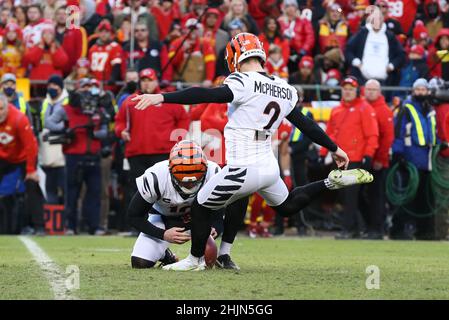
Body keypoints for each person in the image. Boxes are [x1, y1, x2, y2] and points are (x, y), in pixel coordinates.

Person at [133, 32, 374, 271]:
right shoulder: (283, 87)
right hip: (268, 163)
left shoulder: (243, 81)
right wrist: (334, 148)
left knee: (200, 205)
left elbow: (207, 94)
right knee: (287, 204)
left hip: (243, 164)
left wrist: (161, 97)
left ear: (236, 56)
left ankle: (194, 260)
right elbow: (305, 123)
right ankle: (329, 183)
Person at [128, 140, 220, 268]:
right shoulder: (156, 176)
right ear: (170, 170)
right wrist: (163, 234)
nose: (189, 184)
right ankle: (166, 256)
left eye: (194, 179)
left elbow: (221, 207)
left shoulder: (214, 173)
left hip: (199, 220)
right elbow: (133, 216)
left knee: (208, 257)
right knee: (140, 263)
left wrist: (215, 226)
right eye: (183, 180)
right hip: (163, 219)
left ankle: (224, 256)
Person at [115, 68, 189, 217]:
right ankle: (137, 223)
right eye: (143, 80)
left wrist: (178, 137)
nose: (146, 84)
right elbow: (120, 121)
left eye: (149, 80)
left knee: (164, 189)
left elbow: (183, 118)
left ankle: (164, 221)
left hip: (162, 152)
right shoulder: (130, 101)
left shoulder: (166, 99)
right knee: (138, 190)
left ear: (156, 81)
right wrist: (121, 131)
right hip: (136, 152)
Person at [320, 76, 379, 239]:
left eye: (350, 89)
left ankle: (350, 229)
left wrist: (368, 155)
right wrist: (322, 153)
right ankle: (360, 227)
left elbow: (372, 135)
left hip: (356, 158)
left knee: (351, 196)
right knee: (345, 196)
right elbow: (330, 134)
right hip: (340, 160)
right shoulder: (337, 110)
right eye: (345, 88)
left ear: (356, 91)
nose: (347, 92)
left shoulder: (364, 108)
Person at [45, 84, 108, 235]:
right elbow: (49, 122)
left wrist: (95, 134)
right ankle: (71, 226)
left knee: (94, 192)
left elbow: (105, 131)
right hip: (74, 156)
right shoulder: (66, 109)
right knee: (72, 192)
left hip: (93, 155)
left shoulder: (99, 110)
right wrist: (65, 129)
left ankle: (93, 226)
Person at [391, 78, 438, 240]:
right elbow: (398, 132)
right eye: (418, 89)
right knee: (406, 198)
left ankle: (425, 231)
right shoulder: (406, 108)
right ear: (413, 91)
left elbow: (434, 134)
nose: (421, 92)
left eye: (423, 90)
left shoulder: (430, 110)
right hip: (410, 158)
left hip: (427, 161)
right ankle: (398, 230)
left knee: (425, 198)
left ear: (428, 91)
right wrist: (399, 154)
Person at [0, 94, 44, 235]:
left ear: (7, 107)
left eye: (1, 109)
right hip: (3, 157)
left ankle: (39, 226)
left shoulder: (19, 119)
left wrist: (31, 170)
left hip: (22, 157)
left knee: (32, 185)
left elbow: (30, 146)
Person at [362, 79, 394, 239]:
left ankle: (377, 228)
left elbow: (388, 138)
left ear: (379, 91)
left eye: (373, 89)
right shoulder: (362, 107)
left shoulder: (384, 110)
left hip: (377, 161)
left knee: (377, 195)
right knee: (362, 194)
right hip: (362, 158)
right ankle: (369, 225)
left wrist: (381, 158)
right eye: (368, 89)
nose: (370, 92)